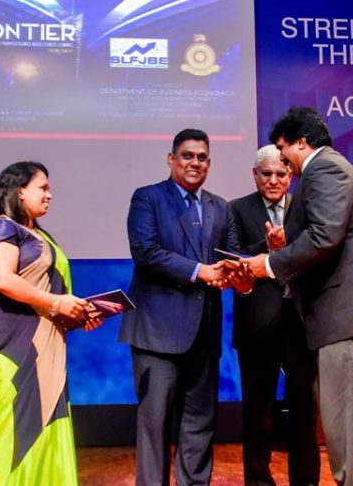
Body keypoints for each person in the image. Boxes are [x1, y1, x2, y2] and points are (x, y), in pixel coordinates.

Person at [242, 107, 353, 485]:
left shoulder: (324, 168)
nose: (283, 160)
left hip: (351, 315)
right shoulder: (328, 168)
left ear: (302, 142)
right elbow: (327, 235)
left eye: (284, 150)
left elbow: (324, 236)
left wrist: (270, 263)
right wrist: (286, 248)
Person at [119, 129, 253, 485]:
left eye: (202, 157)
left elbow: (232, 255)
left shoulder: (220, 207)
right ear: (171, 159)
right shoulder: (147, 198)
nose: (195, 163)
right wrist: (201, 271)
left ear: (210, 163)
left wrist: (240, 276)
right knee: (155, 427)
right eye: (187, 156)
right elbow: (146, 253)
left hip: (204, 336)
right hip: (156, 337)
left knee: (199, 426)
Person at [0, 161, 104, 485]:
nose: (49, 195)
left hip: (45, 341)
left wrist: (77, 315)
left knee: (48, 421)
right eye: (43, 187)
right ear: (19, 190)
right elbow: (3, 279)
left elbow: (46, 296)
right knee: (14, 432)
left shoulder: (41, 235)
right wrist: (58, 303)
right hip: (7, 343)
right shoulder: (2, 227)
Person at [229, 145, 319, 486]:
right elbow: (232, 256)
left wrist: (286, 252)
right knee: (258, 412)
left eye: (281, 174)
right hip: (257, 323)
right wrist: (268, 250)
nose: (273, 180)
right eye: (266, 174)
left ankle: (305, 480)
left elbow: (315, 255)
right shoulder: (237, 209)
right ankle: (258, 481)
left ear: (290, 176)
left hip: (301, 323)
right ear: (255, 175)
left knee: (305, 410)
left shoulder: (305, 208)